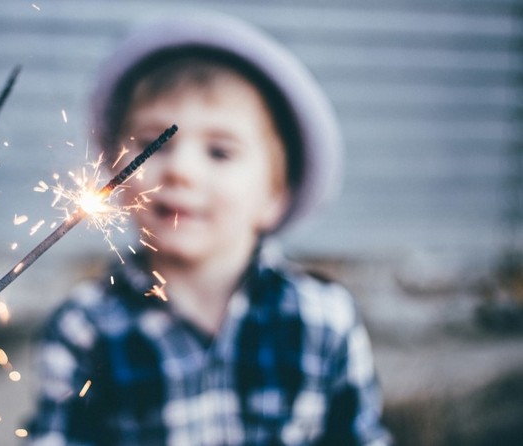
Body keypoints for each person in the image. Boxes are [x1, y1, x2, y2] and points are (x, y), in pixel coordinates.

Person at [28, 11, 390, 446]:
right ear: (115, 174)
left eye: (219, 152)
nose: (181, 170)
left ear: (275, 194)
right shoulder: (84, 328)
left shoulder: (324, 320)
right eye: (151, 144)